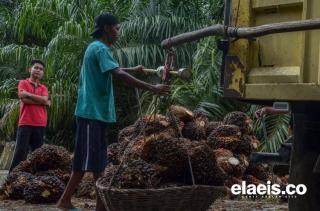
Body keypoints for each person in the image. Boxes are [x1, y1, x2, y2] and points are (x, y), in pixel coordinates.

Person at [57, 13, 170, 211]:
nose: (118, 33)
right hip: (92, 113)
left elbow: (113, 69)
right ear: (107, 28)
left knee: (92, 160)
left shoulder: (97, 48)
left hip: (95, 114)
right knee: (94, 163)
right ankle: (94, 205)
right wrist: (153, 88)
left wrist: (132, 69)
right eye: (117, 28)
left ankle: (73, 202)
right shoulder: (99, 48)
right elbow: (117, 73)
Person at [9, 59, 50, 172]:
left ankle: (35, 180)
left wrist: (28, 94)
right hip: (25, 122)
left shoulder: (44, 88)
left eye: (41, 69)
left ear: (43, 73)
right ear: (30, 69)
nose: (38, 70)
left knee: (38, 154)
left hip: (40, 123)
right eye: (36, 67)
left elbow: (45, 99)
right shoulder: (23, 83)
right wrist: (42, 101)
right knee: (20, 152)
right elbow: (24, 99)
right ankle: (12, 179)